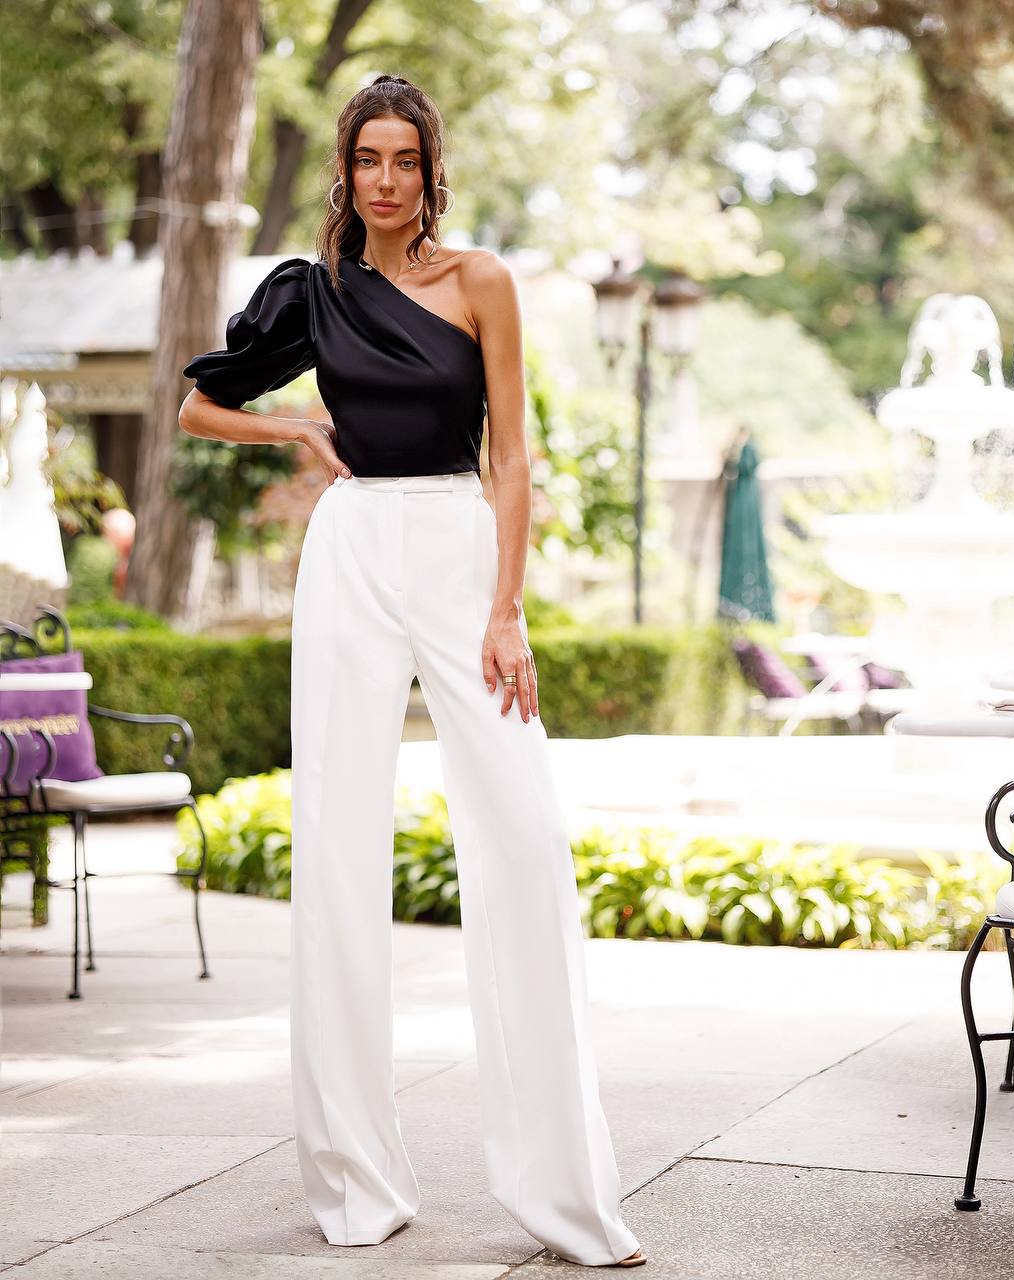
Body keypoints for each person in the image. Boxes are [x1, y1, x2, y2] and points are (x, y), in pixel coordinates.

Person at [179, 73, 646, 1270]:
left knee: (526, 836)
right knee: (336, 848)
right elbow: (196, 407)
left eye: (405, 159)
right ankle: (356, 1179)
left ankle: (565, 1190)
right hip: (349, 552)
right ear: (346, 172)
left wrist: (507, 608)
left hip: (453, 545)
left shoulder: (482, 281)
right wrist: (291, 425)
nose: (385, 179)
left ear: (432, 170)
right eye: (367, 160)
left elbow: (514, 453)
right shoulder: (311, 291)